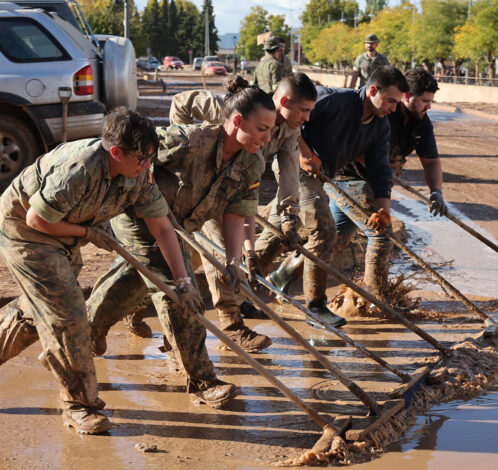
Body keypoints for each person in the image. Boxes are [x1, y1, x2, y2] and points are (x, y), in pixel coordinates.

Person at [0, 108, 202, 434]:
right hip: (26, 232)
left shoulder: (137, 173)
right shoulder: (79, 168)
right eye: (141, 159)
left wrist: (183, 282)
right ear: (116, 152)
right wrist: (90, 234)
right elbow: (37, 221)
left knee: (38, 311)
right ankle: (79, 406)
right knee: (68, 316)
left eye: (151, 158)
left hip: (64, 232)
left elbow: (163, 227)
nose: (147, 165)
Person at [86, 81, 276, 394]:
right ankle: (202, 380)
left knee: (134, 279)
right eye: (262, 128)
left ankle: (87, 329)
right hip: (139, 217)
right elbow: (127, 155)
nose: (267, 138)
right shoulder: (188, 140)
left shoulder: (251, 162)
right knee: (180, 291)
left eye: (271, 130)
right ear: (238, 121)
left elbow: (234, 213)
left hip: (180, 226)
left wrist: (232, 260)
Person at [121, 74, 316, 346]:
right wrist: (191, 155)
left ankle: (139, 306)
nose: (306, 118)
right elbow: (181, 102)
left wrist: (289, 219)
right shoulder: (241, 108)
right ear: (283, 101)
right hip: (200, 188)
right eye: (304, 110)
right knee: (222, 250)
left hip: (234, 187)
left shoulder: (288, 130)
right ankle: (231, 325)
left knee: (189, 256)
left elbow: (289, 173)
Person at [270, 68, 447, 301]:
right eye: (424, 101)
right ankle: (376, 299)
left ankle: (284, 274)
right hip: (348, 177)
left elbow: (430, 161)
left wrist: (436, 192)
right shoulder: (377, 108)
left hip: (373, 182)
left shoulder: (420, 124)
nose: (429, 106)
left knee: (334, 239)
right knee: (381, 236)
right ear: (406, 97)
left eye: (430, 101)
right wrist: (306, 153)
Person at [259, 67, 409, 328]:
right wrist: (305, 152)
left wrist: (383, 210)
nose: (394, 109)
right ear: (373, 91)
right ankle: (315, 307)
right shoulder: (333, 99)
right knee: (323, 229)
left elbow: (380, 170)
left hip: (321, 172)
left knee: (274, 234)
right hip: (293, 162)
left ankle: (239, 288)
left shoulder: (380, 127)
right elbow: (295, 123)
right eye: (391, 101)